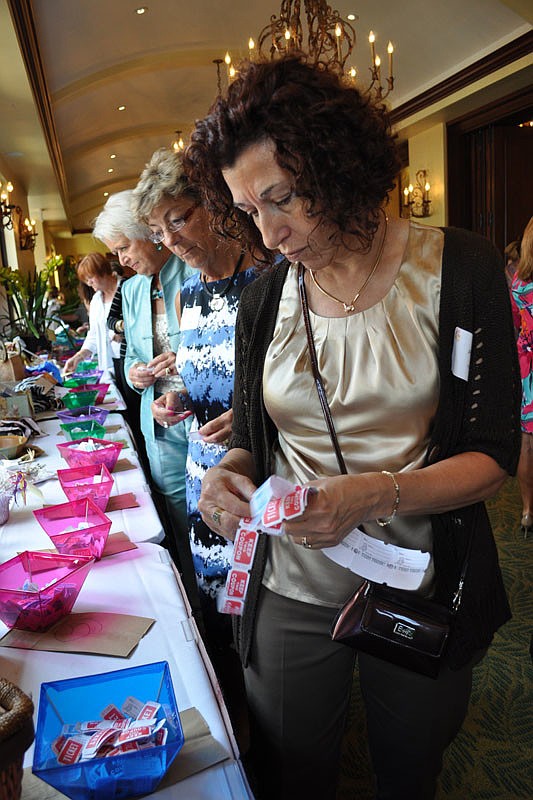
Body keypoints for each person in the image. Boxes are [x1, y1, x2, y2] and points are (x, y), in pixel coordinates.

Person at [184, 55, 522, 800]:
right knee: (290, 765)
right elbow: (255, 435)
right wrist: (228, 474)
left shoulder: (457, 269)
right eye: (248, 212)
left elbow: (493, 453)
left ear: (337, 167)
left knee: (409, 766)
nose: (269, 233)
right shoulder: (264, 299)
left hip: (421, 579)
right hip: (289, 583)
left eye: (285, 199)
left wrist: (371, 493)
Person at [131, 147, 257, 710]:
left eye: (178, 219)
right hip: (200, 475)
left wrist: (255, 416)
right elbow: (204, 367)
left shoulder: (267, 280)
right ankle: (236, 722)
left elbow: (311, 389)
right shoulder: (190, 293)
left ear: (215, 202)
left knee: (260, 617)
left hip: (255, 476)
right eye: (158, 230)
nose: (170, 241)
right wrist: (177, 398)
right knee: (215, 612)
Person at [92, 190, 193, 566]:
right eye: (115, 253)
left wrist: (189, 362)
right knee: (174, 514)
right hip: (158, 421)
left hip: (201, 416)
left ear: (149, 233)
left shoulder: (194, 270)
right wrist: (134, 373)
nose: (121, 260)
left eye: (123, 247)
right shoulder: (133, 289)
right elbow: (134, 350)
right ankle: (193, 594)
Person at [509, 216, 533, 536]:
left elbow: (516, 324)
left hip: (526, 364)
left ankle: (528, 509)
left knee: (527, 441)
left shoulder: (519, 282)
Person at [63, 253, 120, 376]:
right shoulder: (96, 300)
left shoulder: (127, 289)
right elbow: (93, 336)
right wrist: (78, 357)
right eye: (86, 280)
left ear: (102, 271)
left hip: (130, 361)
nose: (88, 283)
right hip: (109, 366)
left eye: (90, 278)